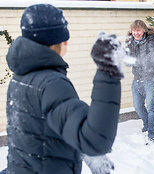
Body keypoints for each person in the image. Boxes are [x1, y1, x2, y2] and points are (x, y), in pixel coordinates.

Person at [5, 4, 124, 174]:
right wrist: (108, 71)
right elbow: (96, 140)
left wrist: (85, 153)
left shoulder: (20, 77)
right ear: (60, 41)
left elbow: (43, 131)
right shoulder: (51, 84)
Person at [126, 20, 154, 142]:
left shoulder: (151, 40)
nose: (136, 33)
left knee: (151, 107)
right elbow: (128, 61)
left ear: (144, 30)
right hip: (137, 79)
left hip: (150, 79)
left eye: (139, 30)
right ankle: (147, 124)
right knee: (138, 106)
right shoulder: (130, 42)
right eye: (134, 30)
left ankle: (152, 133)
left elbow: (151, 55)